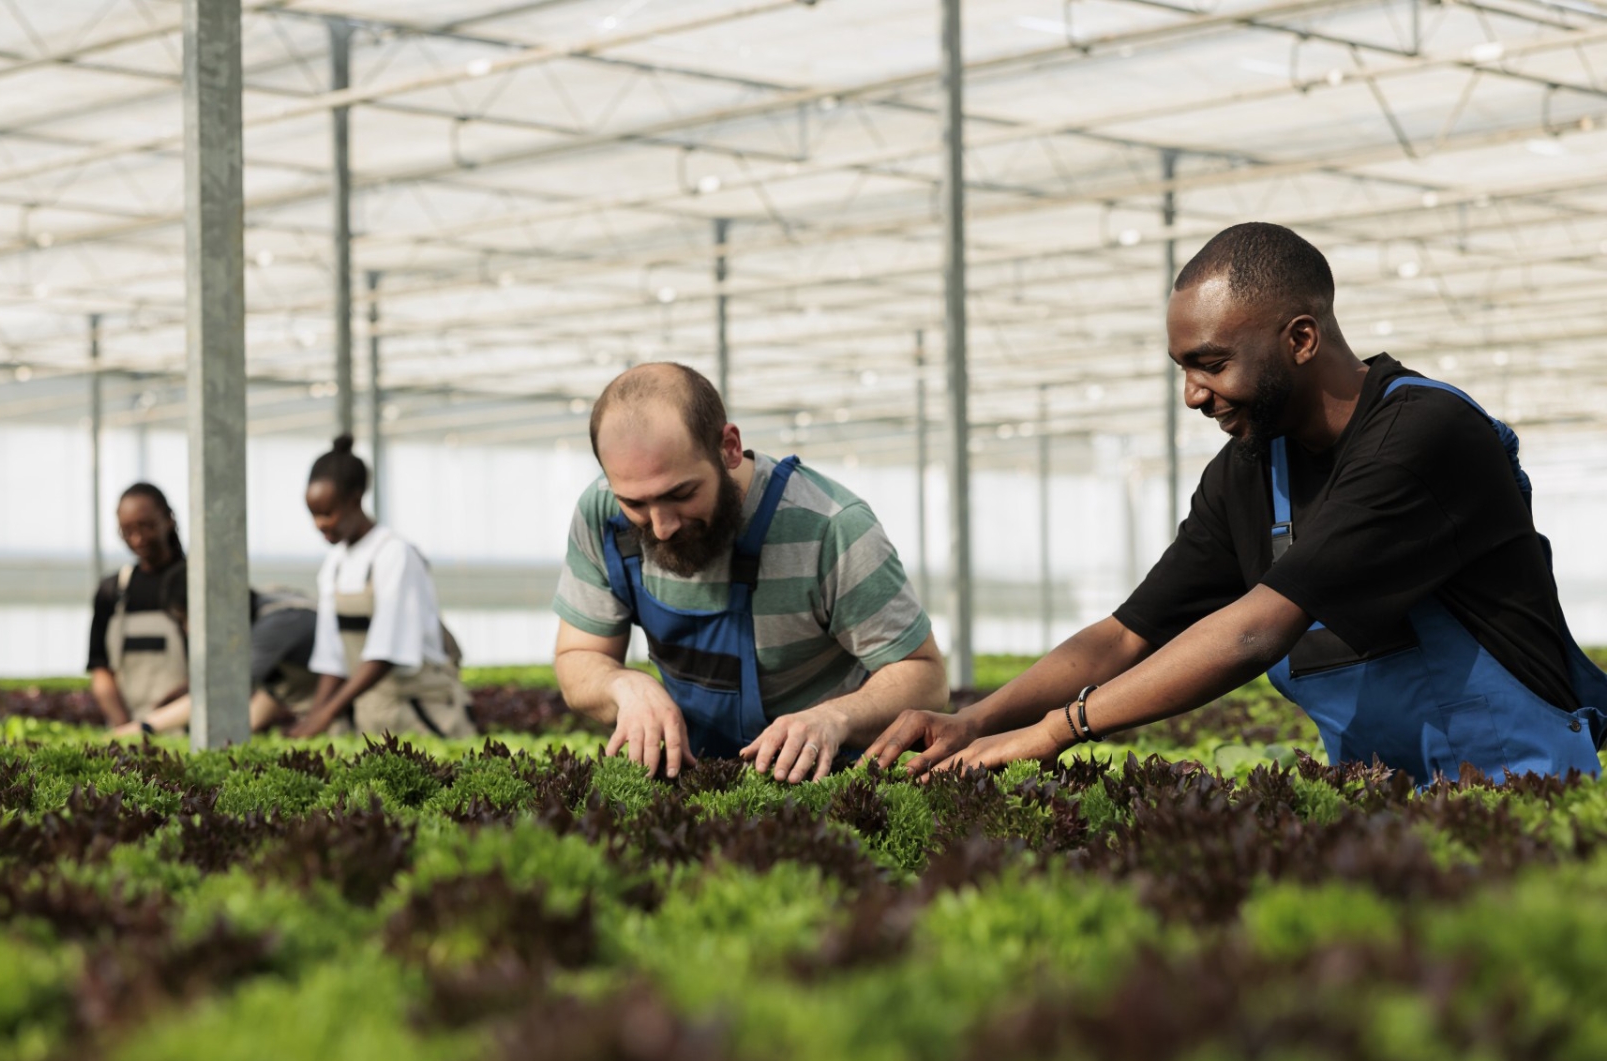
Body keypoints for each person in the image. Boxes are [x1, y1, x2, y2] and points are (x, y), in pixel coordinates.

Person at [868, 222, 1607, 784]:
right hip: (1375, 800)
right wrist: (976, 720)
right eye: (1183, 368)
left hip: (1522, 791)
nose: (1192, 393)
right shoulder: (1249, 472)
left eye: (1211, 363)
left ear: (1301, 338)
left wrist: (1063, 727)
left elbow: (1258, 630)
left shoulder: (1423, 435)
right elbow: (1125, 634)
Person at [553, 361, 949, 783]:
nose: (662, 526)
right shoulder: (601, 515)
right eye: (635, 503)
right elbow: (579, 657)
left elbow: (927, 677)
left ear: (728, 447)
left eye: (682, 493)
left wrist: (835, 717)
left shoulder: (830, 527)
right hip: (693, 778)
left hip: (828, 780)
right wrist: (624, 686)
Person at [285, 436, 475, 740]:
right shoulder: (334, 565)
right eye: (313, 514)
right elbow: (331, 656)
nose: (319, 524)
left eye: (327, 513)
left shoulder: (394, 554)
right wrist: (311, 721)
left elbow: (386, 651)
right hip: (372, 710)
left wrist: (326, 714)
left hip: (419, 708)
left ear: (355, 499)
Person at [110, 562, 319, 737]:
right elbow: (274, 692)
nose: (188, 630)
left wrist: (142, 728)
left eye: (185, 619)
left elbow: (219, 693)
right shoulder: (265, 613)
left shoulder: (275, 624)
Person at [87, 481, 187, 729]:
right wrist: (125, 728)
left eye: (147, 526)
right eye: (127, 530)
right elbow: (100, 669)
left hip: (185, 726)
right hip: (127, 729)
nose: (138, 538)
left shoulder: (194, 584)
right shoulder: (113, 591)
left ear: (169, 519)